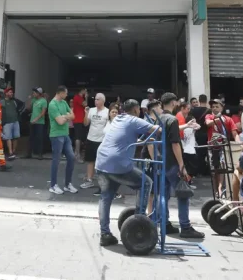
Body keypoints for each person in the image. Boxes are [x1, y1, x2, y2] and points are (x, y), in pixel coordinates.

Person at [94, 99, 158, 246]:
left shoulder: (118, 118)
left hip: (102, 162)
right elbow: (158, 129)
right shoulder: (134, 120)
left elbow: (125, 139)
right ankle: (139, 222)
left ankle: (105, 233)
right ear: (136, 109)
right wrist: (183, 125)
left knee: (106, 197)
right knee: (146, 182)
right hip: (118, 164)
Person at [149, 93, 205, 238]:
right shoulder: (172, 119)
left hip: (161, 162)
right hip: (173, 163)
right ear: (173, 103)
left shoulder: (158, 118)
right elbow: (175, 143)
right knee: (183, 194)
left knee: (163, 195)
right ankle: (185, 227)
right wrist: (181, 165)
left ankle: (164, 224)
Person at [204, 99, 239, 195]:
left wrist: (239, 145)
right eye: (213, 107)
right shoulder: (209, 116)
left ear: (222, 108)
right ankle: (215, 190)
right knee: (214, 170)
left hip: (224, 146)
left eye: (217, 107)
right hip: (212, 146)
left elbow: (235, 133)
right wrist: (217, 119)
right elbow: (207, 123)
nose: (214, 108)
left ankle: (220, 189)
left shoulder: (228, 119)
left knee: (223, 167)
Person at [48, 85, 77, 195]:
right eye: (65, 93)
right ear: (60, 93)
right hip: (56, 135)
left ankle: (67, 184)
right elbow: (59, 122)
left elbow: (73, 116)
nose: (66, 95)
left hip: (65, 134)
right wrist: (67, 116)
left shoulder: (64, 103)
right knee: (56, 160)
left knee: (71, 158)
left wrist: (64, 116)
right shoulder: (52, 104)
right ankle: (53, 185)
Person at [80, 93, 110, 189]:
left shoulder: (107, 112)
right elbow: (85, 124)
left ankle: (103, 182)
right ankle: (89, 180)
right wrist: (85, 113)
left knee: (102, 162)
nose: (95, 101)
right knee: (90, 161)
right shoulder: (91, 110)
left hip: (101, 140)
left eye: (97, 99)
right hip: (90, 138)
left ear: (102, 101)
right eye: (95, 99)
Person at [1, 88, 24, 160]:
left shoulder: (14, 101)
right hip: (7, 122)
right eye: (10, 92)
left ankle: (13, 152)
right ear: (6, 93)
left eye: (12, 92)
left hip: (15, 121)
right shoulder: (2, 102)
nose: (12, 93)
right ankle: (10, 152)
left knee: (16, 137)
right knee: (8, 138)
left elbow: (22, 104)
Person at [28, 87, 47, 160]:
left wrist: (36, 119)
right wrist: (29, 100)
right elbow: (29, 108)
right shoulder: (34, 100)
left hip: (40, 122)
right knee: (31, 138)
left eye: (34, 93)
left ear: (39, 93)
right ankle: (29, 153)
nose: (33, 94)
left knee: (39, 138)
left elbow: (43, 112)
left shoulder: (43, 101)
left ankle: (40, 154)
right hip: (32, 122)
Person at [72, 88, 88, 162]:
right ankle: (77, 154)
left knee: (80, 137)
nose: (86, 92)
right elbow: (85, 104)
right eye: (85, 90)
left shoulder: (80, 97)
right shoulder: (77, 97)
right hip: (78, 120)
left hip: (81, 120)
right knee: (78, 137)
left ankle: (78, 154)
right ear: (82, 90)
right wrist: (86, 97)